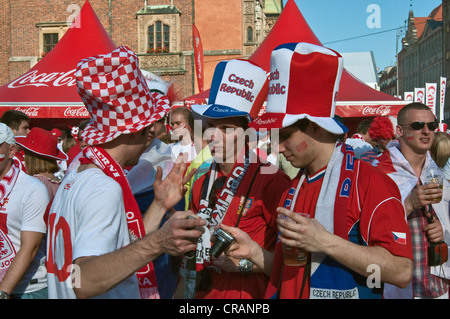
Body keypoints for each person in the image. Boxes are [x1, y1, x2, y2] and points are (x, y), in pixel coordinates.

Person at [226, 42, 413, 299]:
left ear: (316, 127)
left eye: (285, 136)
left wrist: (325, 242)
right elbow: (288, 276)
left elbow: (401, 272)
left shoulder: (369, 181)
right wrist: (254, 253)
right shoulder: (294, 186)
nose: (278, 148)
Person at [45, 46, 206, 299]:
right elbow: (84, 279)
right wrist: (157, 243)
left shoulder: (78, 168)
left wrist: (159, 206)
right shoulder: (103, 186)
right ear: (135, 130)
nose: (151, 135)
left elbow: (116, 251)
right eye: (148, 128)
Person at [177, 58, 291, 299]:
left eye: (226, 129)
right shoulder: (200, 183)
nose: (213, 136)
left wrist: (246, 265)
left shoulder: (272, 181)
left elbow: (292, 268)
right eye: (209, 126)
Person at [374, 102, 450, 299]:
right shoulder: (379, 171)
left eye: (431, 126)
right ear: (399, 130)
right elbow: (369, 229)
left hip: (436, 284)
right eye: (417, 126)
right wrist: (408, 205)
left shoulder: (437, 172)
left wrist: (442, 228)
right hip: (397, 286)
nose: (426, 131)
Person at [0, 123, 50, 299]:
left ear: (11, 151)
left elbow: (31, 247)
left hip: (28, 290)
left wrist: (3, 292)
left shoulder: (32, 189)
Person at [15, 127, 68, 199]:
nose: (24, 157)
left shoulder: (32, 184)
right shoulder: (61, 184)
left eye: (25, 153)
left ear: (31, 157)